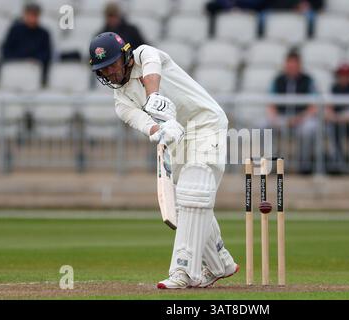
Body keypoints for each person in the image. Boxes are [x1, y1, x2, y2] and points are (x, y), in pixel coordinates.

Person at [88, 32, 238, 289]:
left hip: (205, 122)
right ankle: (219, 263)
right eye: (103, 70)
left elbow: (152, 68)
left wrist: (153, 98)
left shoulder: (146, 54)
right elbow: (146, 124)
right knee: (186, 202)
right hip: (177, 136)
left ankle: (183, 271)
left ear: (125, 56)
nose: (110, 73)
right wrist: (162, 132)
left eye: (112, 64)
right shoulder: (121, 102)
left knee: (194, 192)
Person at [268, 50, 318, 174]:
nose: (291, 67)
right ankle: (271, 164)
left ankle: (304, 165)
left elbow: (314, 106)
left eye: (294, 64)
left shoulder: (308, 81)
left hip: (302, 118)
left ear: (299, 65)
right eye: (289, 64)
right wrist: (276, 118)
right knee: (263, 126)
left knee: (308, 129)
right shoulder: (278, 80)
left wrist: (300, 118)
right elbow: (271, 104)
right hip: (282, 117)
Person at [0, 2, 52, 86]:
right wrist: (23, 59)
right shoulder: (15, 30)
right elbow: (6, 51)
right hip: (14, 66)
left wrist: (35, 60)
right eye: (30, 14)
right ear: (25, 15)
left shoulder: (44, 33)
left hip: (35, 68)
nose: (32, 18)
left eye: (35, 15)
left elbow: (46, 54)